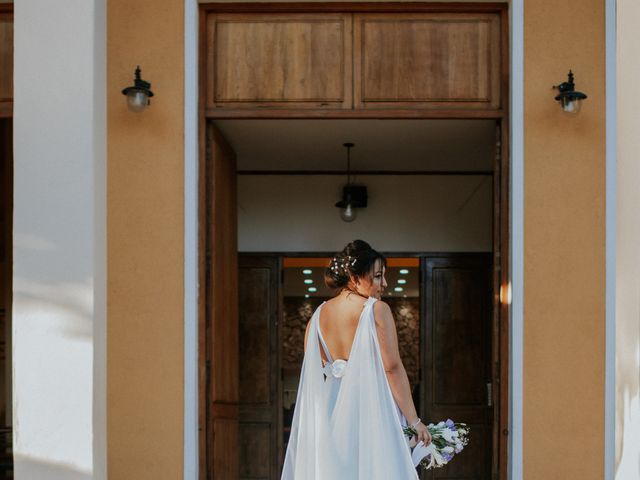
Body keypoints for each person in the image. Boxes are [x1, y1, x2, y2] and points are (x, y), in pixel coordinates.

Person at [281, 240, 432, 479]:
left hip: (330, 413)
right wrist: (414, 421)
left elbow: (318, 370)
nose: (384, 284)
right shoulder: (377, 310)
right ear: (354, 276)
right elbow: (392, 368)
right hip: (370, 408)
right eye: (378, 276)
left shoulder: (316, 318)